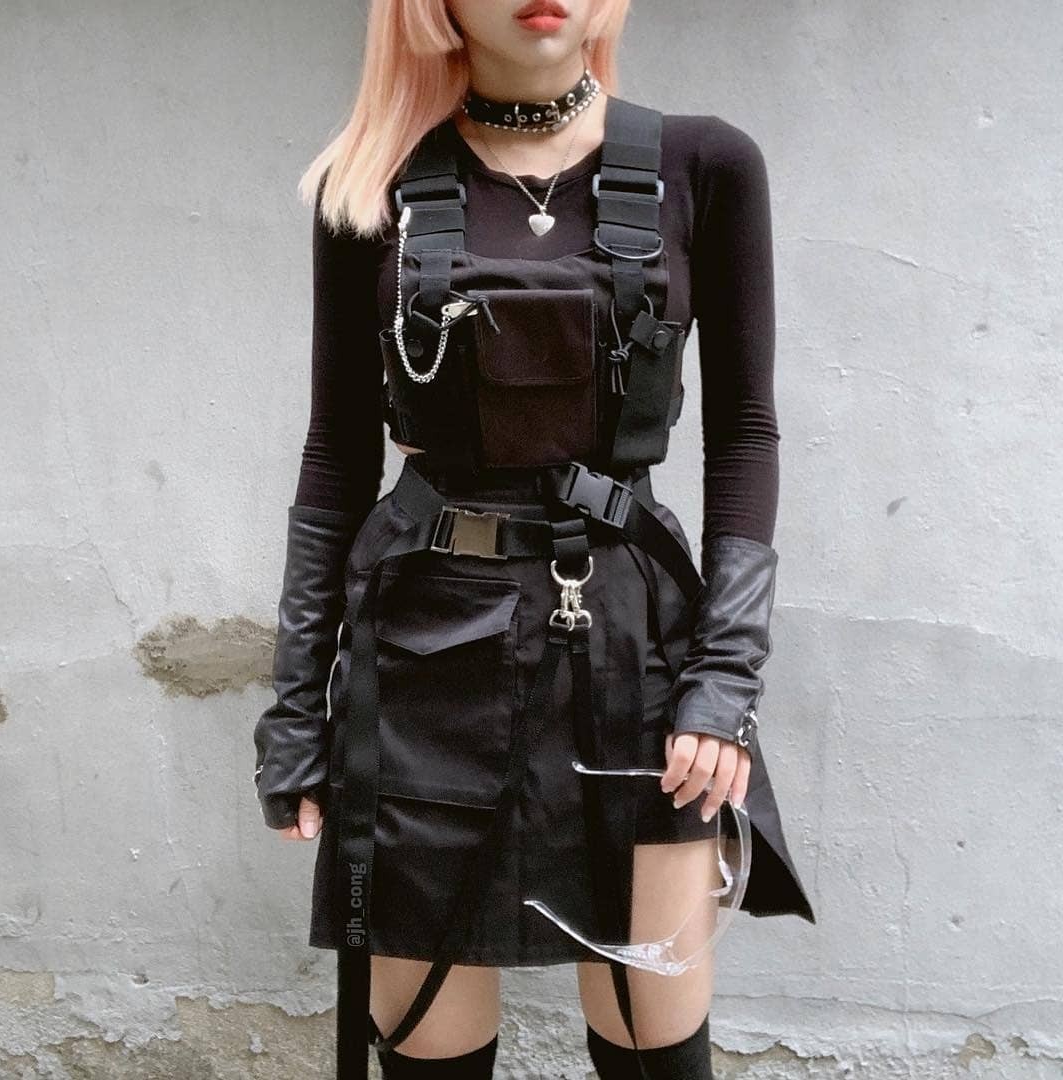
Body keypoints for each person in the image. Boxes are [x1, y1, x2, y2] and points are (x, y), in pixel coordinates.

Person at [252, 1, 817, 1076]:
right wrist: (293, 708)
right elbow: (336, 456)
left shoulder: (706, 165)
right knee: (428, 1053)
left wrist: (725, 681)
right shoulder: (368, 184)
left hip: (636, 652)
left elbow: (746, 435)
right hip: (421, 661)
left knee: (656, 1053)